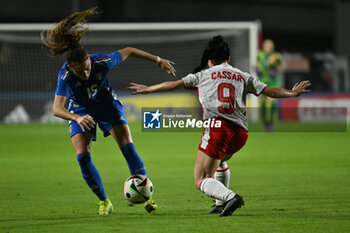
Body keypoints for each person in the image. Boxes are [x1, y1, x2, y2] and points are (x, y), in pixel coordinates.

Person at [128, 35, 311, 217]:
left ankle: (230, 197)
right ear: (228, 58)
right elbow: (271, 91)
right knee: (220, 161)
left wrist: (148, 89)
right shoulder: (242, 76)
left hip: (218, 129)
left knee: (201, 178)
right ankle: (219, 203)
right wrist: (293, 93)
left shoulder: (202, 75)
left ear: (210, 60)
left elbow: (172, 84)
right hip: (240, 134)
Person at [41, 8, 176, 215]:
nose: (86, 73)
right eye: (81, 71)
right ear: (71, 68)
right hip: (81, 110)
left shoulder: (101, 62)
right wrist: (77, 117)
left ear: (89, 60)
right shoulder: (66, 74)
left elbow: (129, 50)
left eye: (87, 68)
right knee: (82, 158)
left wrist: (158, 60)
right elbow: (57, 109)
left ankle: (147, 196)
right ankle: (104, 201)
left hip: (107, 105)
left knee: (128, 148)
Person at [256, 39, 285, 131]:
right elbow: (255, 64)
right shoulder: (260, 54)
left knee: (271, 102)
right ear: (264, 46)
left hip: (273, 82)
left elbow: (283, 66)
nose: (268, 47)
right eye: (267, 45)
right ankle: (265, 123)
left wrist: (276, 70)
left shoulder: (276, 56)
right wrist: (257, 70)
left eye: (270, 46)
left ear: (272, 47)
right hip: (262, 82)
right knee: (263, 103)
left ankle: (271, 123)